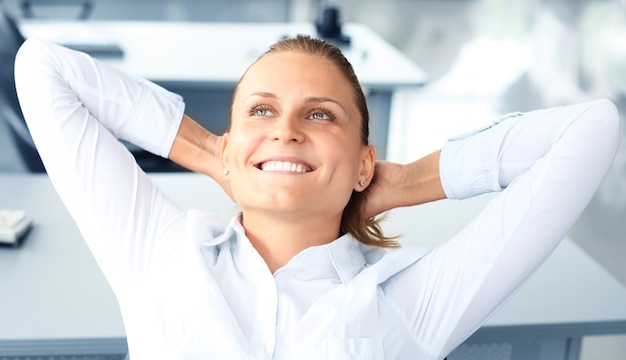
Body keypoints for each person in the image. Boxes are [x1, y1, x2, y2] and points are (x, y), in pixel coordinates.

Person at [14, 35, 620, 359]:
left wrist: (408, 183)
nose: (285, 129)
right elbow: (42, 69)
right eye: (261, 110)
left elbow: (590, 127)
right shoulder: (160, 255)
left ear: (363, 164)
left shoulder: (411, 302)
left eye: (320, 114)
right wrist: (207, 151)